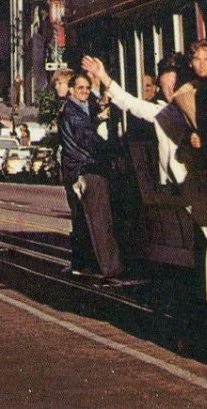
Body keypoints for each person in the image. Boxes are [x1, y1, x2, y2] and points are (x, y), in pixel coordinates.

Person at [85, 52, 207, 308]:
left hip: (200, 181)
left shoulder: (195, 104)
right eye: (165, 87)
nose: (171, 91)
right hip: (189, 184)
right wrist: (105, 78)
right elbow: (132, 104)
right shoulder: (166, 112)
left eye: (173, 85)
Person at [58, 73, 122, 281]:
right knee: (98, 220)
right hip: (85, 169)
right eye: (80, 88)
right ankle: (109, 267)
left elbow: (92, 113)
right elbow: (87, 138)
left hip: (78, 169)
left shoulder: (81, 107)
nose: (84, 92)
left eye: (87, 88)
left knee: (83, 221)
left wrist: (100, 106)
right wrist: (114, 150)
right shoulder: (72, 112)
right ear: (71, 90)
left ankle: (85, 264)